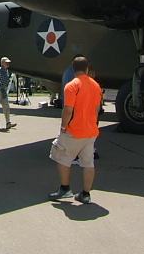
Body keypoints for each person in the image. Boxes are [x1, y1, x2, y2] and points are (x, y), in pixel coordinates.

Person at [48, 56, 102, 204]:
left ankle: (65, 189)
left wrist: (63, 126)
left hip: (74, 130)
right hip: (91, 131)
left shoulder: (71, 85)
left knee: (62, 157)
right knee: (88, 163)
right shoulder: (96, 86)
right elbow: (97, 109)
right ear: (87, 69)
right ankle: (85, 194)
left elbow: (68, 109)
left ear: (73, 69)